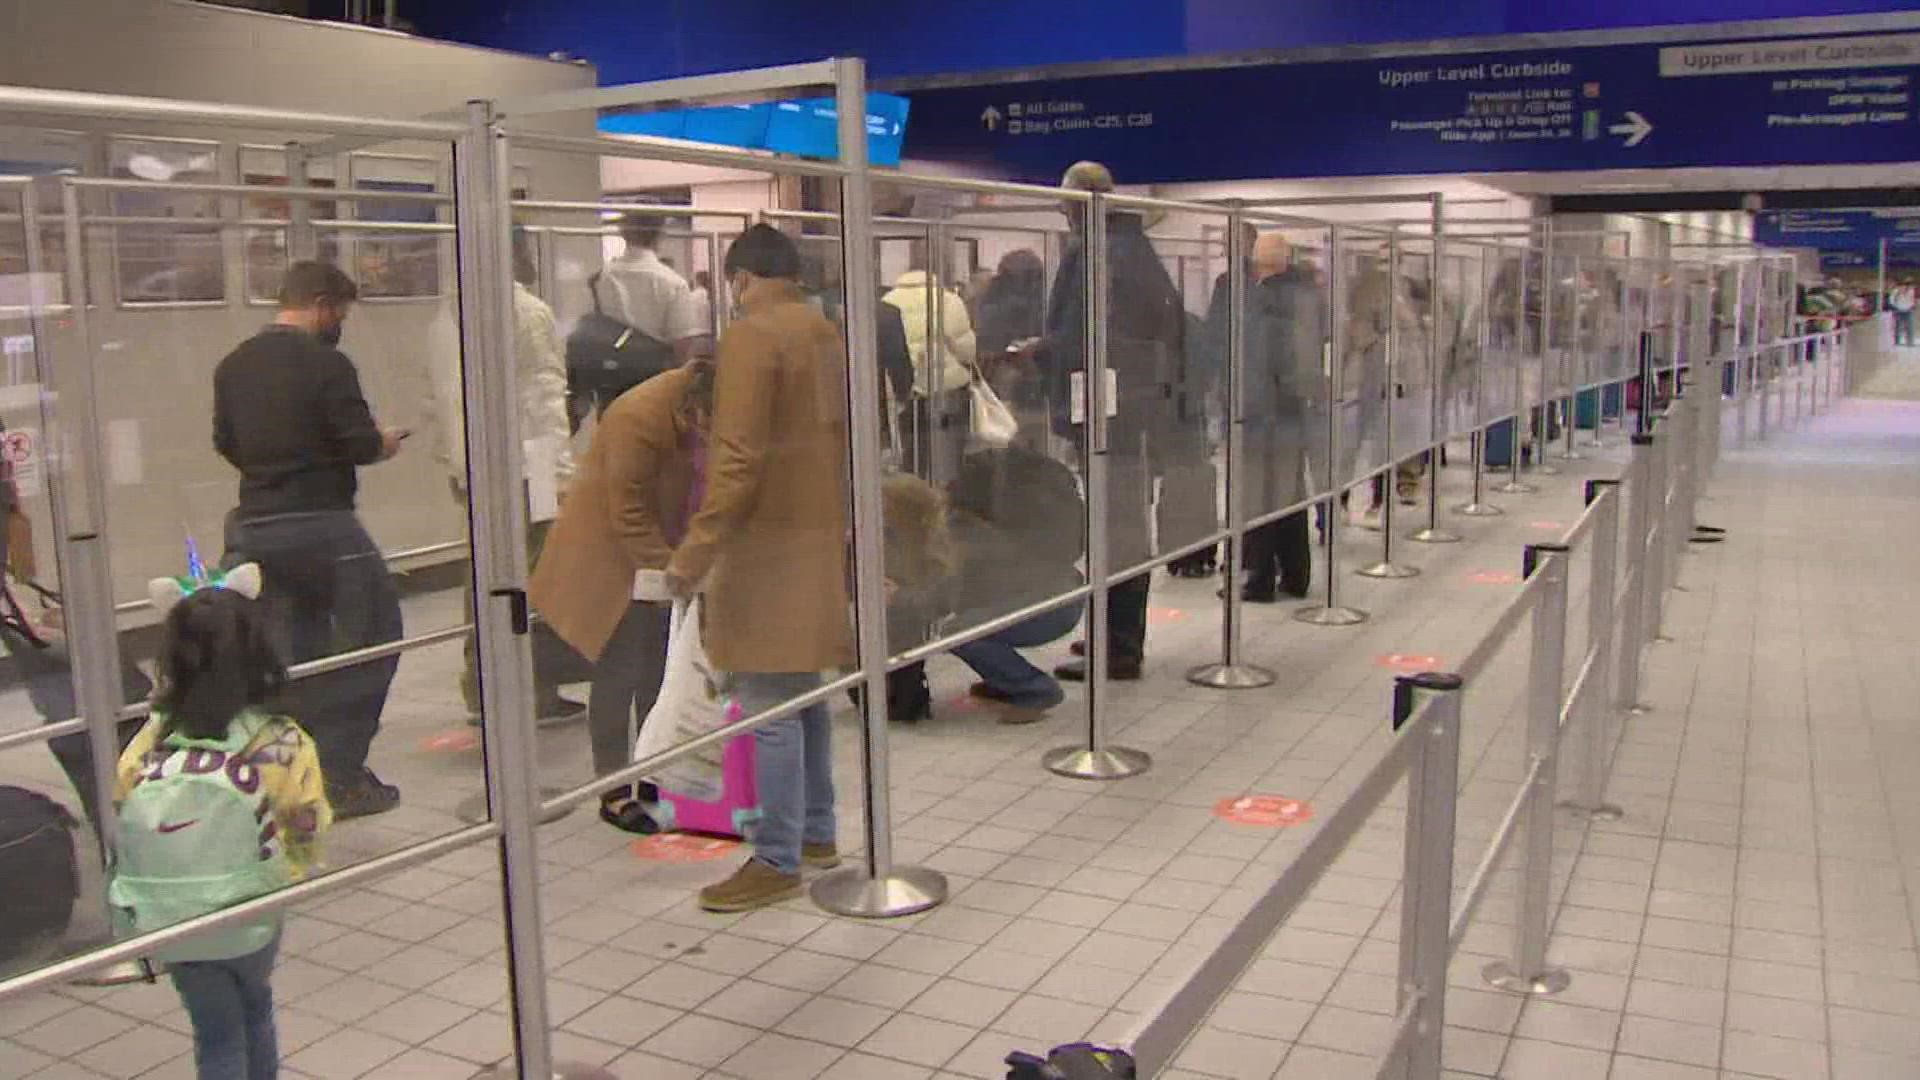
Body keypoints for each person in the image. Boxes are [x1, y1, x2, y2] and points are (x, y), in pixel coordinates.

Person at [665, 225, 852, 913]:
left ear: (740, 280)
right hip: (817, 531)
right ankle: (816, 835)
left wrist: (695, 553)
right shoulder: (822, 331)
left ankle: (775, 858)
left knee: (769, 705)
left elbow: (737, 459)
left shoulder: (751, 336)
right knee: (804, 695)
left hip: (765, 545)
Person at [111, 569, 329, 1080]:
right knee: (256, 1003)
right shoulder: (281, 738)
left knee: (215, 1034)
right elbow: (307, 819)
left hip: (174, 915)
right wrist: (292, 871)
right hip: (253, 905)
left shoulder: (155, 736)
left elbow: (125, 797)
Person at [213, 261, 404, 819]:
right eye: (340, 312)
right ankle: (339, 778)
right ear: (322, 304)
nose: (339, 322)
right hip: (322, 523)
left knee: (282, 651)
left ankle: (281, 772)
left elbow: (225, 441)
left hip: (253, 524)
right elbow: (357, 443)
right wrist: (382, 443)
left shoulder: (233, 365)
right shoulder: (328, 364)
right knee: (369, 640)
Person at [529, 360, 712, 832]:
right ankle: (611, 789)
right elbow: (626, 509)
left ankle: (650, 769)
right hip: (610, 559)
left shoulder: (697, 404)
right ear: (695, 404)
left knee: (657, 667)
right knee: (618, 672)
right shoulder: (639, 415)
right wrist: (677, 571)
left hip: (655, 554)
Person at [1037, 162, 1186, 683]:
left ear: (1084, 201)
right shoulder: (1131, 249)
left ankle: (1119, 648)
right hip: (1126, 410)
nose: (1060, 209)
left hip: (1108, 416)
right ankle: (1113, 633)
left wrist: (1046, 358)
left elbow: (1088, 338)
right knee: (1118, 526)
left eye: (1064, 199)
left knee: (1116, 529)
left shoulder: (1099, 253)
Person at [431, 228, 586, 726]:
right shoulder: (528, 312)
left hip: (473, 467)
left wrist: (456, 462)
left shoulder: (445, 315)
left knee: (482, 575)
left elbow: (438, 400)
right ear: (517, 251)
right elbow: (543, 398)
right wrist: (562, 473)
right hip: (529, 465)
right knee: (537, 574)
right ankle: (533, 687)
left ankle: (481, 685)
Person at [1202, 231, 1318, 602]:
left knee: (1255, 493)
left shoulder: (1260, 296)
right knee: (1290, 489)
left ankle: (1258, 578)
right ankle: (1297, 575)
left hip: (1256, 408)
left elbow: (1235, 349)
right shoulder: (1306, 293)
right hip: (1293, 406)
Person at [945, 447, 1086, 719]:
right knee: (967, 624)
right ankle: (1005, 680)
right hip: (1065, 595)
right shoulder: (1031, 510)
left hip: (1045, 608)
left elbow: (946, 588)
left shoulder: (977, 531)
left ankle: (1035, 690)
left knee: (957, 633)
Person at [883, 264, 977, 482]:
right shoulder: (949, 300)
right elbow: (966, 351)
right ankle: (949, 496)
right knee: (951, 453)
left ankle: (918, 496)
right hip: (949, 388)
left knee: (914, 453)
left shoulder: (888, 300)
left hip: (909, 390)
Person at [595, 214, 709, 365]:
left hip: (608, 371)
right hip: (654, 375)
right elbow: (682, 344)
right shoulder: (673, 283)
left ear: (623, 233)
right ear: (661, 234)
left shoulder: (601, 278)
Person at [1890, 279, 1915, 346]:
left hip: (1908, 311)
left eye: (1904, 286)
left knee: (1909, 326)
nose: (1903, 287)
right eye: (1901, 286)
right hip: (1899, 310)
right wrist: (1896, 307)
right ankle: (1896, 341)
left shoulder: (1910, 291)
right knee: (1897, 327)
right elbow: (1891, 300)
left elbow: (1912, 299)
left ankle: (1910, 342)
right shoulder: (1895, 291)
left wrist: (1911, 305)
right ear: (1899, 286)